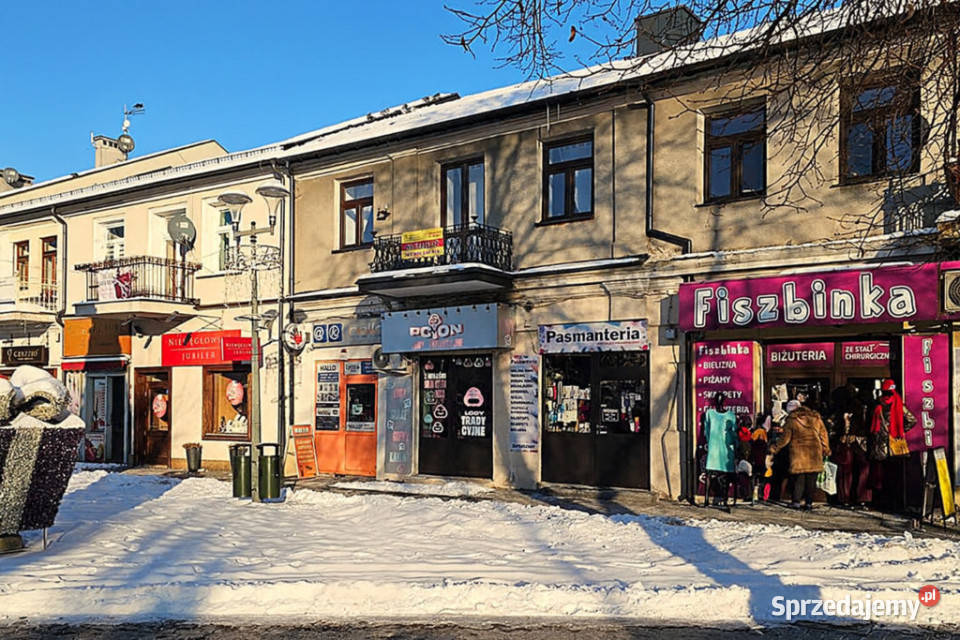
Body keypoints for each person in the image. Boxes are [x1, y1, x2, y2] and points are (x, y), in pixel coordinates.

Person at [768, 399, 831, 509]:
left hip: (798, 452)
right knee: (811, 479)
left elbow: (785, 438)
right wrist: (826, 449)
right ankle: (808, 502)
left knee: (799, 479)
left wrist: (775, 448)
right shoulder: (816, 419)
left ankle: (796, 501)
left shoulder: (792, 420)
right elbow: (823, 435)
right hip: (814, 452)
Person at [703, 392, 738, 505]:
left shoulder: (731, 415)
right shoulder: (710, 413)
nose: (719, 402)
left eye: (721, 400)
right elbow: (706, 430)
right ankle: (707, 499)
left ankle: (725, 499)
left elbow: (733, 433)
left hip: (726, 448)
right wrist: (710, 441)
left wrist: (735, 445)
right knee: (709, 472)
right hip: (714, 448)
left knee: (727, 475)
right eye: (717, 399)